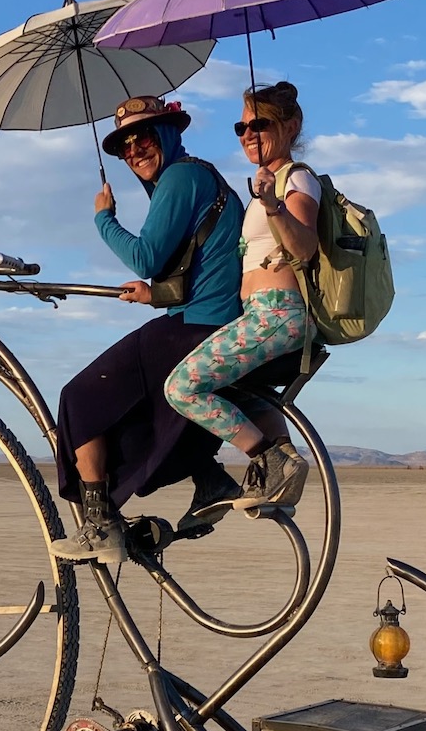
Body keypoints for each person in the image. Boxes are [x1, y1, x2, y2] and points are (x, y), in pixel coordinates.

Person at [50, 95, 246, 564]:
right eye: (124, 145)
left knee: (79, 398)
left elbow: (146, 257)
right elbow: (202, 265)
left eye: (144, 136)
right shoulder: (196, 176)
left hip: (199, 325)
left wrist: (103, 218)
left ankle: (100, 525)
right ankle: (210, 478)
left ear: (169, 133)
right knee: (136, 412)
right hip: (203, 316)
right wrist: (153, 295)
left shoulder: (180, 177)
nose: (135, 149)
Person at [163, 81, 315, 518]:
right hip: (260, 314)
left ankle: (271, 460)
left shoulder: (295, 179)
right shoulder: (265, 186)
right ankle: (277, 469)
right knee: (236, 388)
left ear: (291, 126)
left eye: (260, 124)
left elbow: (303, 246)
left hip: (278, 314)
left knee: (182, 386)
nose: (248, 134)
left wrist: (272, 205)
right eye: (241, 127)